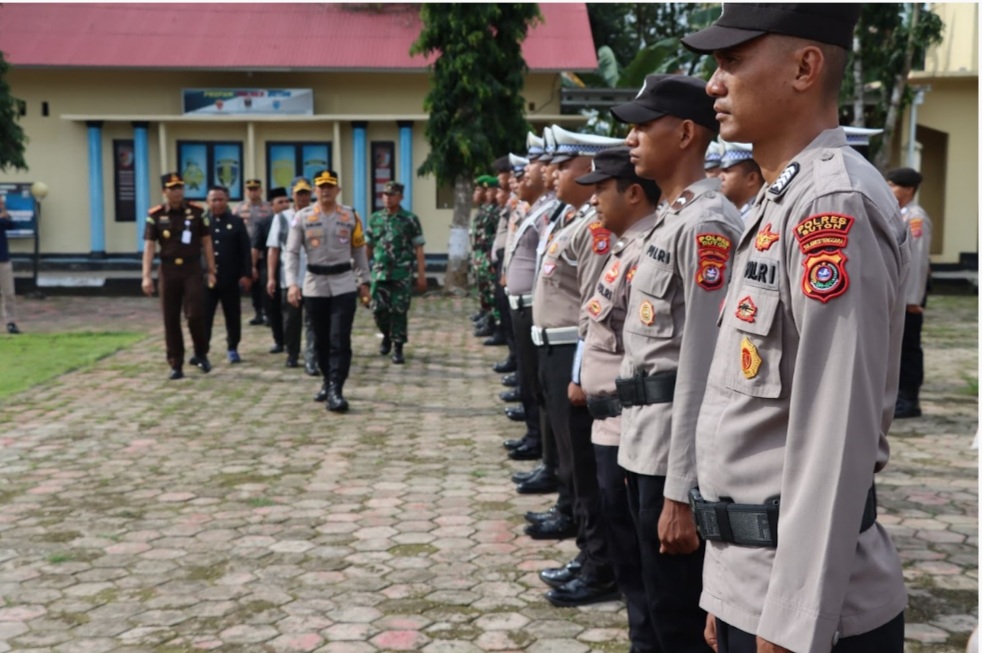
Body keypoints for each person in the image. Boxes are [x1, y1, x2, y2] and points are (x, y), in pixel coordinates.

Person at [682, 5, 909, 651]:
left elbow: (836, 432)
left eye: (731, 62)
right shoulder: (780, 200)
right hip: (754, 583)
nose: (713, 84)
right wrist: (726, 587)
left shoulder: (833, 206)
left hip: (809, 612)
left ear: (806, 67)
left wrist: (791, 619)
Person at [610, 74, 744, 653]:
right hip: (644, 440)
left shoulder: (707, 224)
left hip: (672, 451)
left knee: (678, 621)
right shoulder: (671, 217)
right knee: (648, 605)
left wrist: (681, 491)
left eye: (643, 126)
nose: (631, 139)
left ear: (686, 133)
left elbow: (702, 368)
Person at [530, 125, 624, 607]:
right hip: (554, 347)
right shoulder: (572, 219)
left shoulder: (595, 227)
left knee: (585, 470)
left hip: (574, 352)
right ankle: (590, 554)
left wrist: (577, 373)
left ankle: (599, 565)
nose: (549, 172)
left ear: (584, 168)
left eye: (560, 164)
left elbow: (595, 306)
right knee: (571, 465)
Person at [575, 146, 663, 653]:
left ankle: (649, 639)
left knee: (643, 554)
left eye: (600, 191)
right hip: (609, 421)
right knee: (627, 548)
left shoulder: (651, 246)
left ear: (632, 192)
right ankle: (641, 637)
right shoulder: (625, 247)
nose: (594, 203)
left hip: (633, 423)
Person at [284, 170, 370, 413]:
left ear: (338, 190)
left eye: (330, 186)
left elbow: (358, 251)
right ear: (315, 190)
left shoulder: (350, 216)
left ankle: (336, 388)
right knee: (320, 339)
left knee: (339, 338)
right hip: (315, 284)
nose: (325, 190)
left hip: (343, 282)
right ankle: (326, 380)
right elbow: (290, 253)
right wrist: (292, 283)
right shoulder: (302, 217)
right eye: (321, 186)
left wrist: (364, 281)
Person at [141, 173, 217, 379]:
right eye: (172, 188)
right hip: (168, 270)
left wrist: (211, 270)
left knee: (195, 314)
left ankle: (200, 353)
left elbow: (207, 242)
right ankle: (176, 363)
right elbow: (149, 246)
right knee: (170, 319)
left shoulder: (196, 212)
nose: (177, 191)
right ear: (164, 191)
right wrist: (146, 276)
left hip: (192, 269)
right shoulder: (155, 215)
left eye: (180, 187)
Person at [887, 167, 932, 419]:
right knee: (899, 346)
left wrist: (912, 299)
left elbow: (917, 261)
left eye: (893, 185)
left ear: (909, 189)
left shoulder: (916, 218)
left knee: (909, 348)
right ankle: (900, 396)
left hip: (909, 297)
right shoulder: (900, 215)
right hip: (901, 295)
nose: (889, 189)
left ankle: (909, 399)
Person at [366, 181, 427, 365]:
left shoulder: (410, 219)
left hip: (402, 272)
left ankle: (398, 347)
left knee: (399, 310)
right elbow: (368, 247)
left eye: (392, 195)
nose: (387, 198)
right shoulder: (375, 219)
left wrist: (421, 274)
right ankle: (386, 335)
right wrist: (361, 272)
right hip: (380, 272)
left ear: (400, 197)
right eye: (385, 194)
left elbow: (419, 248)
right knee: (378, 309)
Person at [268, 177, 319, 373]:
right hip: (290, 278)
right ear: (292, 195)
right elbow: (273, 249)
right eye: (299, 193)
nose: (303, 197)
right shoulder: (281, 218)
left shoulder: (317, 214)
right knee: (291, 320)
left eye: (306, 193)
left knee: (313, 320)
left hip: (314, 276)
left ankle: (312, 357)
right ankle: (292, 352)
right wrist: (271, 277)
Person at [202, 185, 252, 363]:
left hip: (230, 278)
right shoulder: (201, 222)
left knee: (232, 315)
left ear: (227, 201)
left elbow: (245, 250)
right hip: (207, 279)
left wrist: (246, 274)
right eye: (213, 199)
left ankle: (233, 347)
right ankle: (202, 350)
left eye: (220, 199)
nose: (217, 203)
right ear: (207, 201)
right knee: (204, 316)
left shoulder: (236, 222)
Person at [254, 188, 289, 354]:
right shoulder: (264, 223)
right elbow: (256, 247)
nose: (284, 205)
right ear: (271, 205)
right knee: (273, 307)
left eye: (286, 201)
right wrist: (252, 268)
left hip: (290, 267)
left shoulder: (294, 219)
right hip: (270, 269)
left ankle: (292, 340)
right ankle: (279, 340)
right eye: (280, 202)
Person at [234, 178, 273, 326]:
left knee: (264, 283)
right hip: (245, 253)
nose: (253, 191)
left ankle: (268, 313)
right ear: (246, 191)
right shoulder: (239, 209)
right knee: (252, 285)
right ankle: (257, 313)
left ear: (261, 190)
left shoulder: (268, 208)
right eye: (250, 189)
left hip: (264, 252)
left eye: (255, 189)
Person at [718, 140, 763, 219]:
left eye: (727, 171)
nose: (720, 177)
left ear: (752, 178)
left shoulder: (759, 214)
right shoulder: (735, 212)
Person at [0, 195, 19, 334]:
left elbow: (11, 225)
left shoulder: (3, 217)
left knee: (8, 293)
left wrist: (5, 214)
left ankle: (10, 322)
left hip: (3, 259)